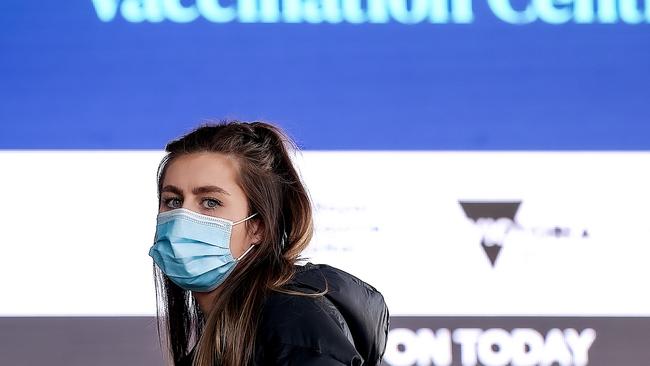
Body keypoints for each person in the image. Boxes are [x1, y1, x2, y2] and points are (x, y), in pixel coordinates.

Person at [148, 120, 390, 366]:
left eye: (210, 202)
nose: (182, 219)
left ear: (258, 227)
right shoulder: (223, 342)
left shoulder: (293, 321)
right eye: (173, 201)